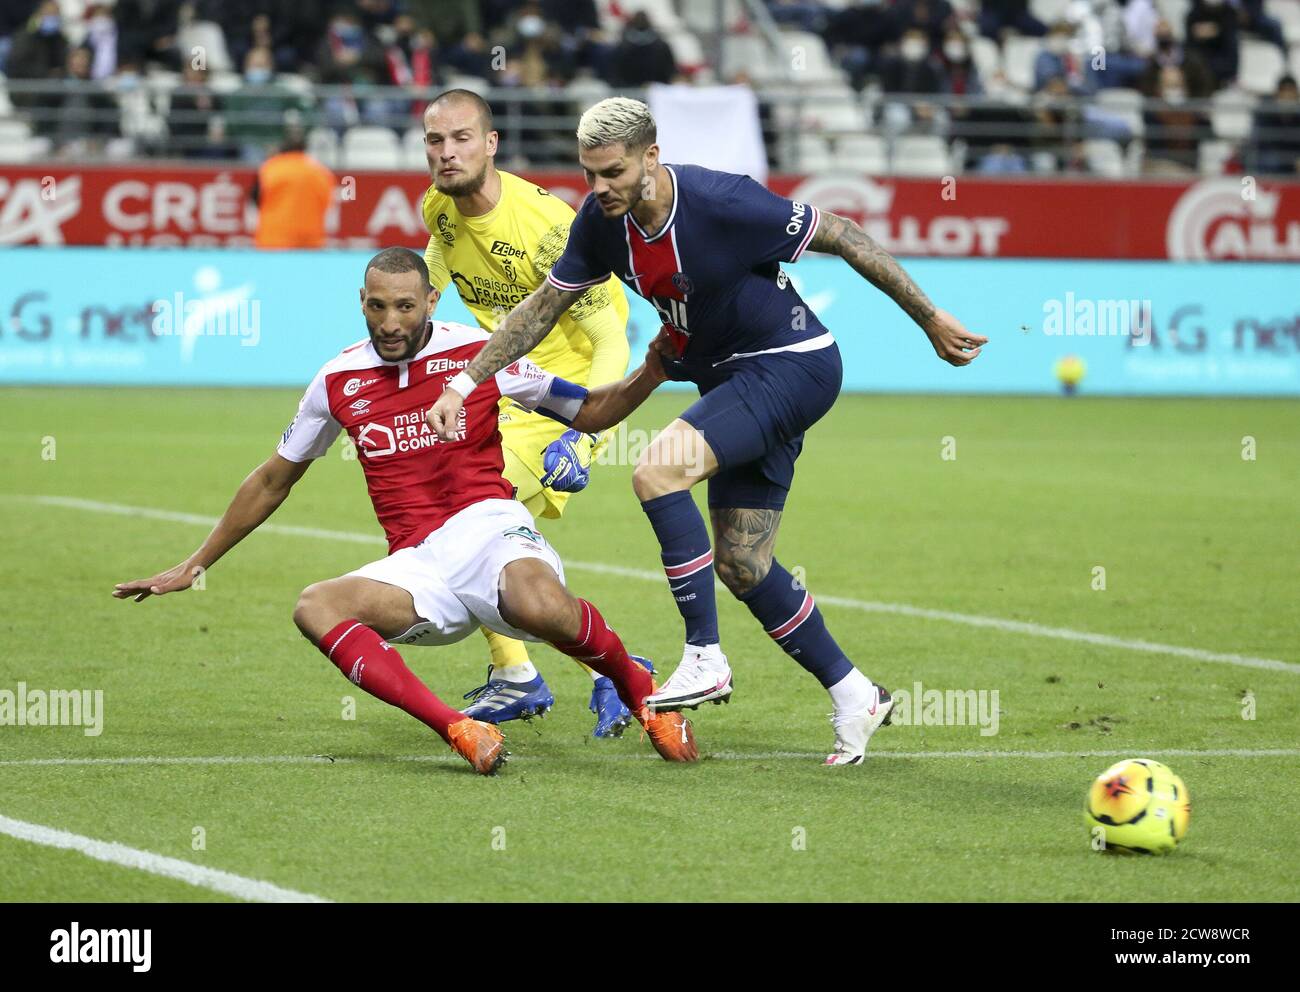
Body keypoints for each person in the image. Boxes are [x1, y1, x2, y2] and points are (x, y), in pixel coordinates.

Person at [426, 98, 988, 766]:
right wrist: (464, 384)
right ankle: (855, 693)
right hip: (730, 383)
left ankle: (703, 655)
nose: (599, 188)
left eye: (613, 172)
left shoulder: (722, 201)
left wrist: (928, 318)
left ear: (651, 158)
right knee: (744, 565)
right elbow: (544, 308)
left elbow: (842, 234)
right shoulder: (600, 223)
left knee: (657, 470)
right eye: (589, 173)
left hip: (791, 365)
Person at [112, 248, 697, 775]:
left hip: (491, 529)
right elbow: (272, 479)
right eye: (376, 306)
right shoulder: (337, 379)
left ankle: (640, 691)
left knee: (540, 606)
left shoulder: (478, 354)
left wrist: (651, 372)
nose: (390, 323)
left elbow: (588, 411)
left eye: (404, 307)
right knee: (316, 605)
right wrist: (195, 563)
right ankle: (459, 728)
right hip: (418, 563)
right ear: (361, 303)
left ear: (430, 301)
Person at [420, 89, 638, 736]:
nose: (447, 151)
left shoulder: (545, 227)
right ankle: (530, 674)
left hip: (562, 392)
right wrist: (426, 294)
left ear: (491, 144)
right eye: (435, 141)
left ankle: (607, 670)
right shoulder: (440, 204)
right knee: (463, 538)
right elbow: (441, 243)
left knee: (462, 529)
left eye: (461, 138)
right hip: (505, 387)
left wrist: (588, 437)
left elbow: (612, 337)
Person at [251, 127, 336, 249]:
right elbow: (328, 201)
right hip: (310, 240)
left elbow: (256, 197)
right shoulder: (321, 171)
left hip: (274, 239)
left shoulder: (269, 168)